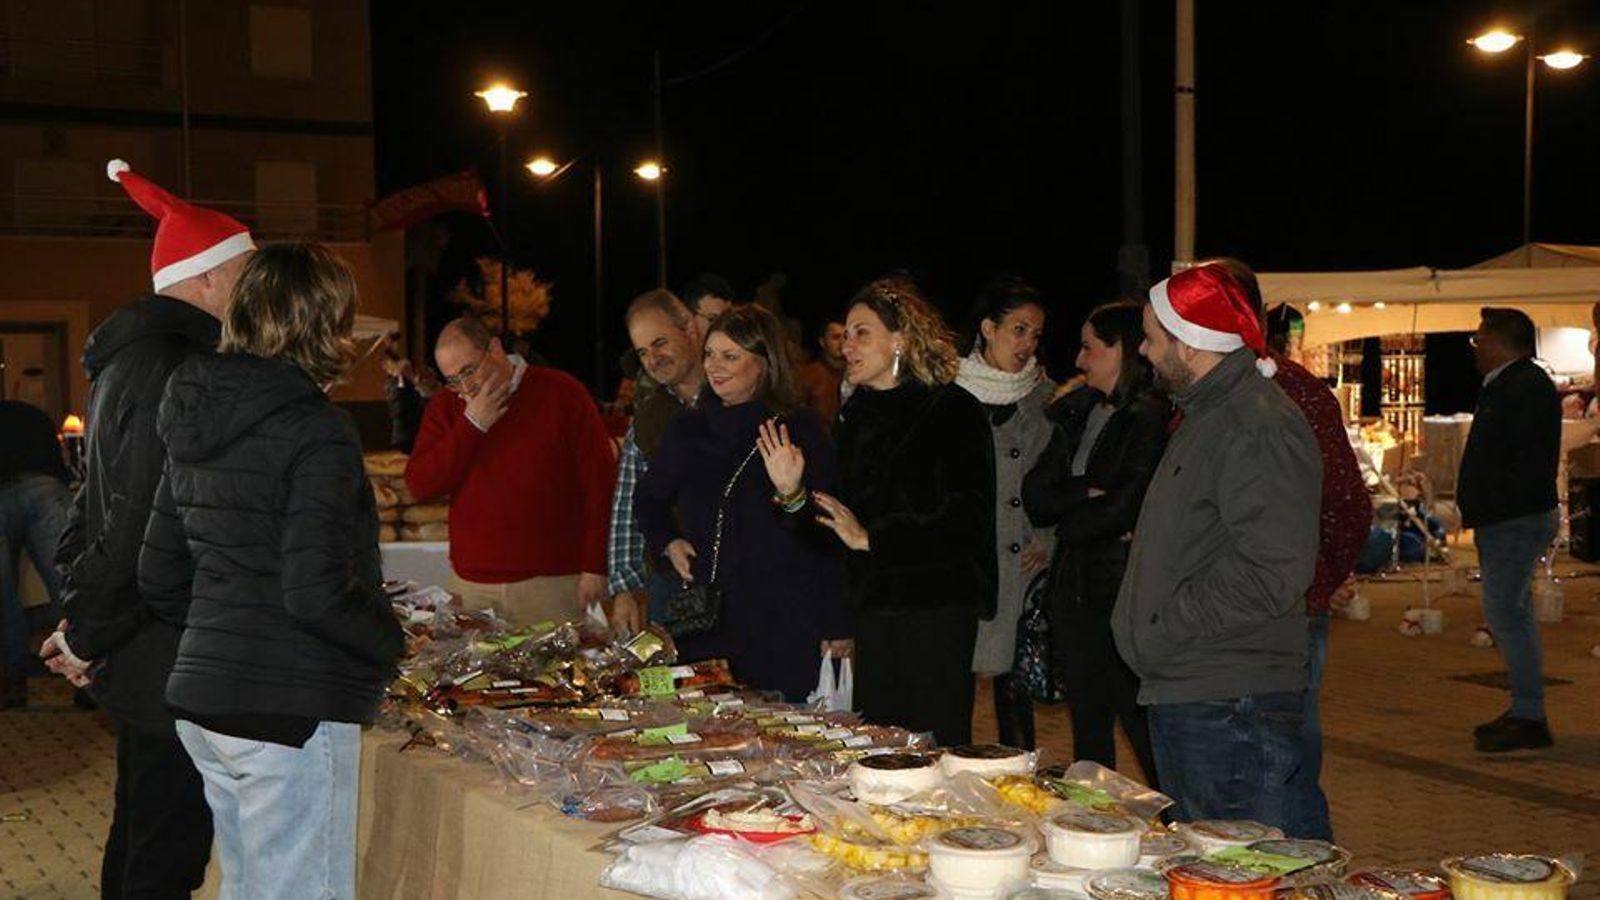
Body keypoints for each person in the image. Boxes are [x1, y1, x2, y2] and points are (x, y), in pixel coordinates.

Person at [138, 242, 404, 900]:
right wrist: (392, 643)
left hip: (206, 698)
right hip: (287, 707)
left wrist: (227, 627)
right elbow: (316, 593)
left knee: (251, 886)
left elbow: (159, 573)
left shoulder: (195, 410)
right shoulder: (315, 428)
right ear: (324, 325)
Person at [41, 158, 254, 899]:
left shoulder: (128, 363)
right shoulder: (177, 368)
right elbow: (138, 515)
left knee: (140, 830)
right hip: (168, 641)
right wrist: (86, 629)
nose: (254, 285)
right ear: (205, 279)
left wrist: (83, 615)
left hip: (140, 639)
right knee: (166, 847)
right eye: (244, 269)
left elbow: (91, 501)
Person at [1110, 264, 1321, 830]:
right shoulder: (1211, 416)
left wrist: (1166, 624)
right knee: (1214, 872)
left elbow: (1274, 569)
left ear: (1191, 342)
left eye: (1153, 338)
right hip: (1201, 692)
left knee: (1236, 872)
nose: (1146, 353)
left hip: (1228, 704)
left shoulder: (1255, 422)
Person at [1211, 257, 1370, 839]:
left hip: (1281, 612)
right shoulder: (1205, 398)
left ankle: (1300, 872)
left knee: (1283, 762)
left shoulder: (1290, 391)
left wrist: (1321, 577)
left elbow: (1347, 504)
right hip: (1235, 613)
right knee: (1266, 762)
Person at [808, 277, 996, 746]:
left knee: (932, 748)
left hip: (936, 610)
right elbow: (836, 525)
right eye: (845, 334)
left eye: (861, 332)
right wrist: (792, 492)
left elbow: (967, 521)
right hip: (875, 614)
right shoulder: (857, 417)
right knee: (880, 748)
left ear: (901, 339)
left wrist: (874, 538)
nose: (847, 345)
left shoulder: (952, 409)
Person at [635, 305, 850, 700]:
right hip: (708, 619)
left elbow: (827, 537)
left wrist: (835, 624)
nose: (715, 366)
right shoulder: (689, 428)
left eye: (731, 356)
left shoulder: (799, 430)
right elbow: (649, 498)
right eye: (710, 354)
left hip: (783, 620)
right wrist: (667, 540)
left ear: (764, 363)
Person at [1023, 301, 1167, 783]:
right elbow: (1036, 496)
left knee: (1141, 728)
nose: (1080, 360)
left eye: (1090, 348)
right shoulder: (1080, 412)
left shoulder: (1148, 415)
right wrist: (1084, 495)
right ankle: (1095, 833)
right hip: (1075, 594)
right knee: (1088, 732)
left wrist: (1075, 514)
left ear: (1122, 351)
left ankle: (1171, 828)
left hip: (1120, 594)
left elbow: (1127, 506)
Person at [405, 315, 616, 626]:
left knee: (557, 674)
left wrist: (595, 566)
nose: (465, 386)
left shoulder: (562, 392)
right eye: (453, 379)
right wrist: (472, 425)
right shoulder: (446, 408)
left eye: (469, 371)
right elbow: (421, 483)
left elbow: (601, 485)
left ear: (494, 349)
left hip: (554, 583)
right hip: (471, 586)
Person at [955, 277, 1053, 750]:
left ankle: (1020, 777)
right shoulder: (950, 393)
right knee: (955, 686)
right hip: (967, 562)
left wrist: (1048, 540)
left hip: (1021, 565)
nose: (1027, 343)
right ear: (988, 328)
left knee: (1015, 693)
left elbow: (1062, 478)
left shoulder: (1046, 396)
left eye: (1035, 334)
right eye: (1018, 330)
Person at [1458, 307, 1560, 753]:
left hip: (1512, 519)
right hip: (1508, 516)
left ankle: (1529, 714)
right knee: (1511, 614)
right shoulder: (1514, 385)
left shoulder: (1523, 387)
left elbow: (1517, 459)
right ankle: (1526, 711)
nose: (1476, 348)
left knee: (1506, 616)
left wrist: (1490, 504)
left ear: (1499, 341)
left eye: (1479, 339)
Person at [607, 290, 706, 635]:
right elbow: (628, 501)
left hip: (742, 578)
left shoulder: (736, 396)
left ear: (690, 329)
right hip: (672, 581)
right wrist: (623, 588)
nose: (653, 359)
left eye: (660, 343)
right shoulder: (649, 416)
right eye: (643, 352)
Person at [0, 399, 72, 708]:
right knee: (67, 582)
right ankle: (84, 671)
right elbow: (62, 459)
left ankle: (13, 679)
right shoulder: (32, 413)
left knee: (3, 594)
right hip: (46, 490)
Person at [797, 316, 847, 432]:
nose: (842, 342)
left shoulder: (857, 374)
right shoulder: (809, 375)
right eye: (835, 337)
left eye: (845, 337)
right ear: (822, 342)